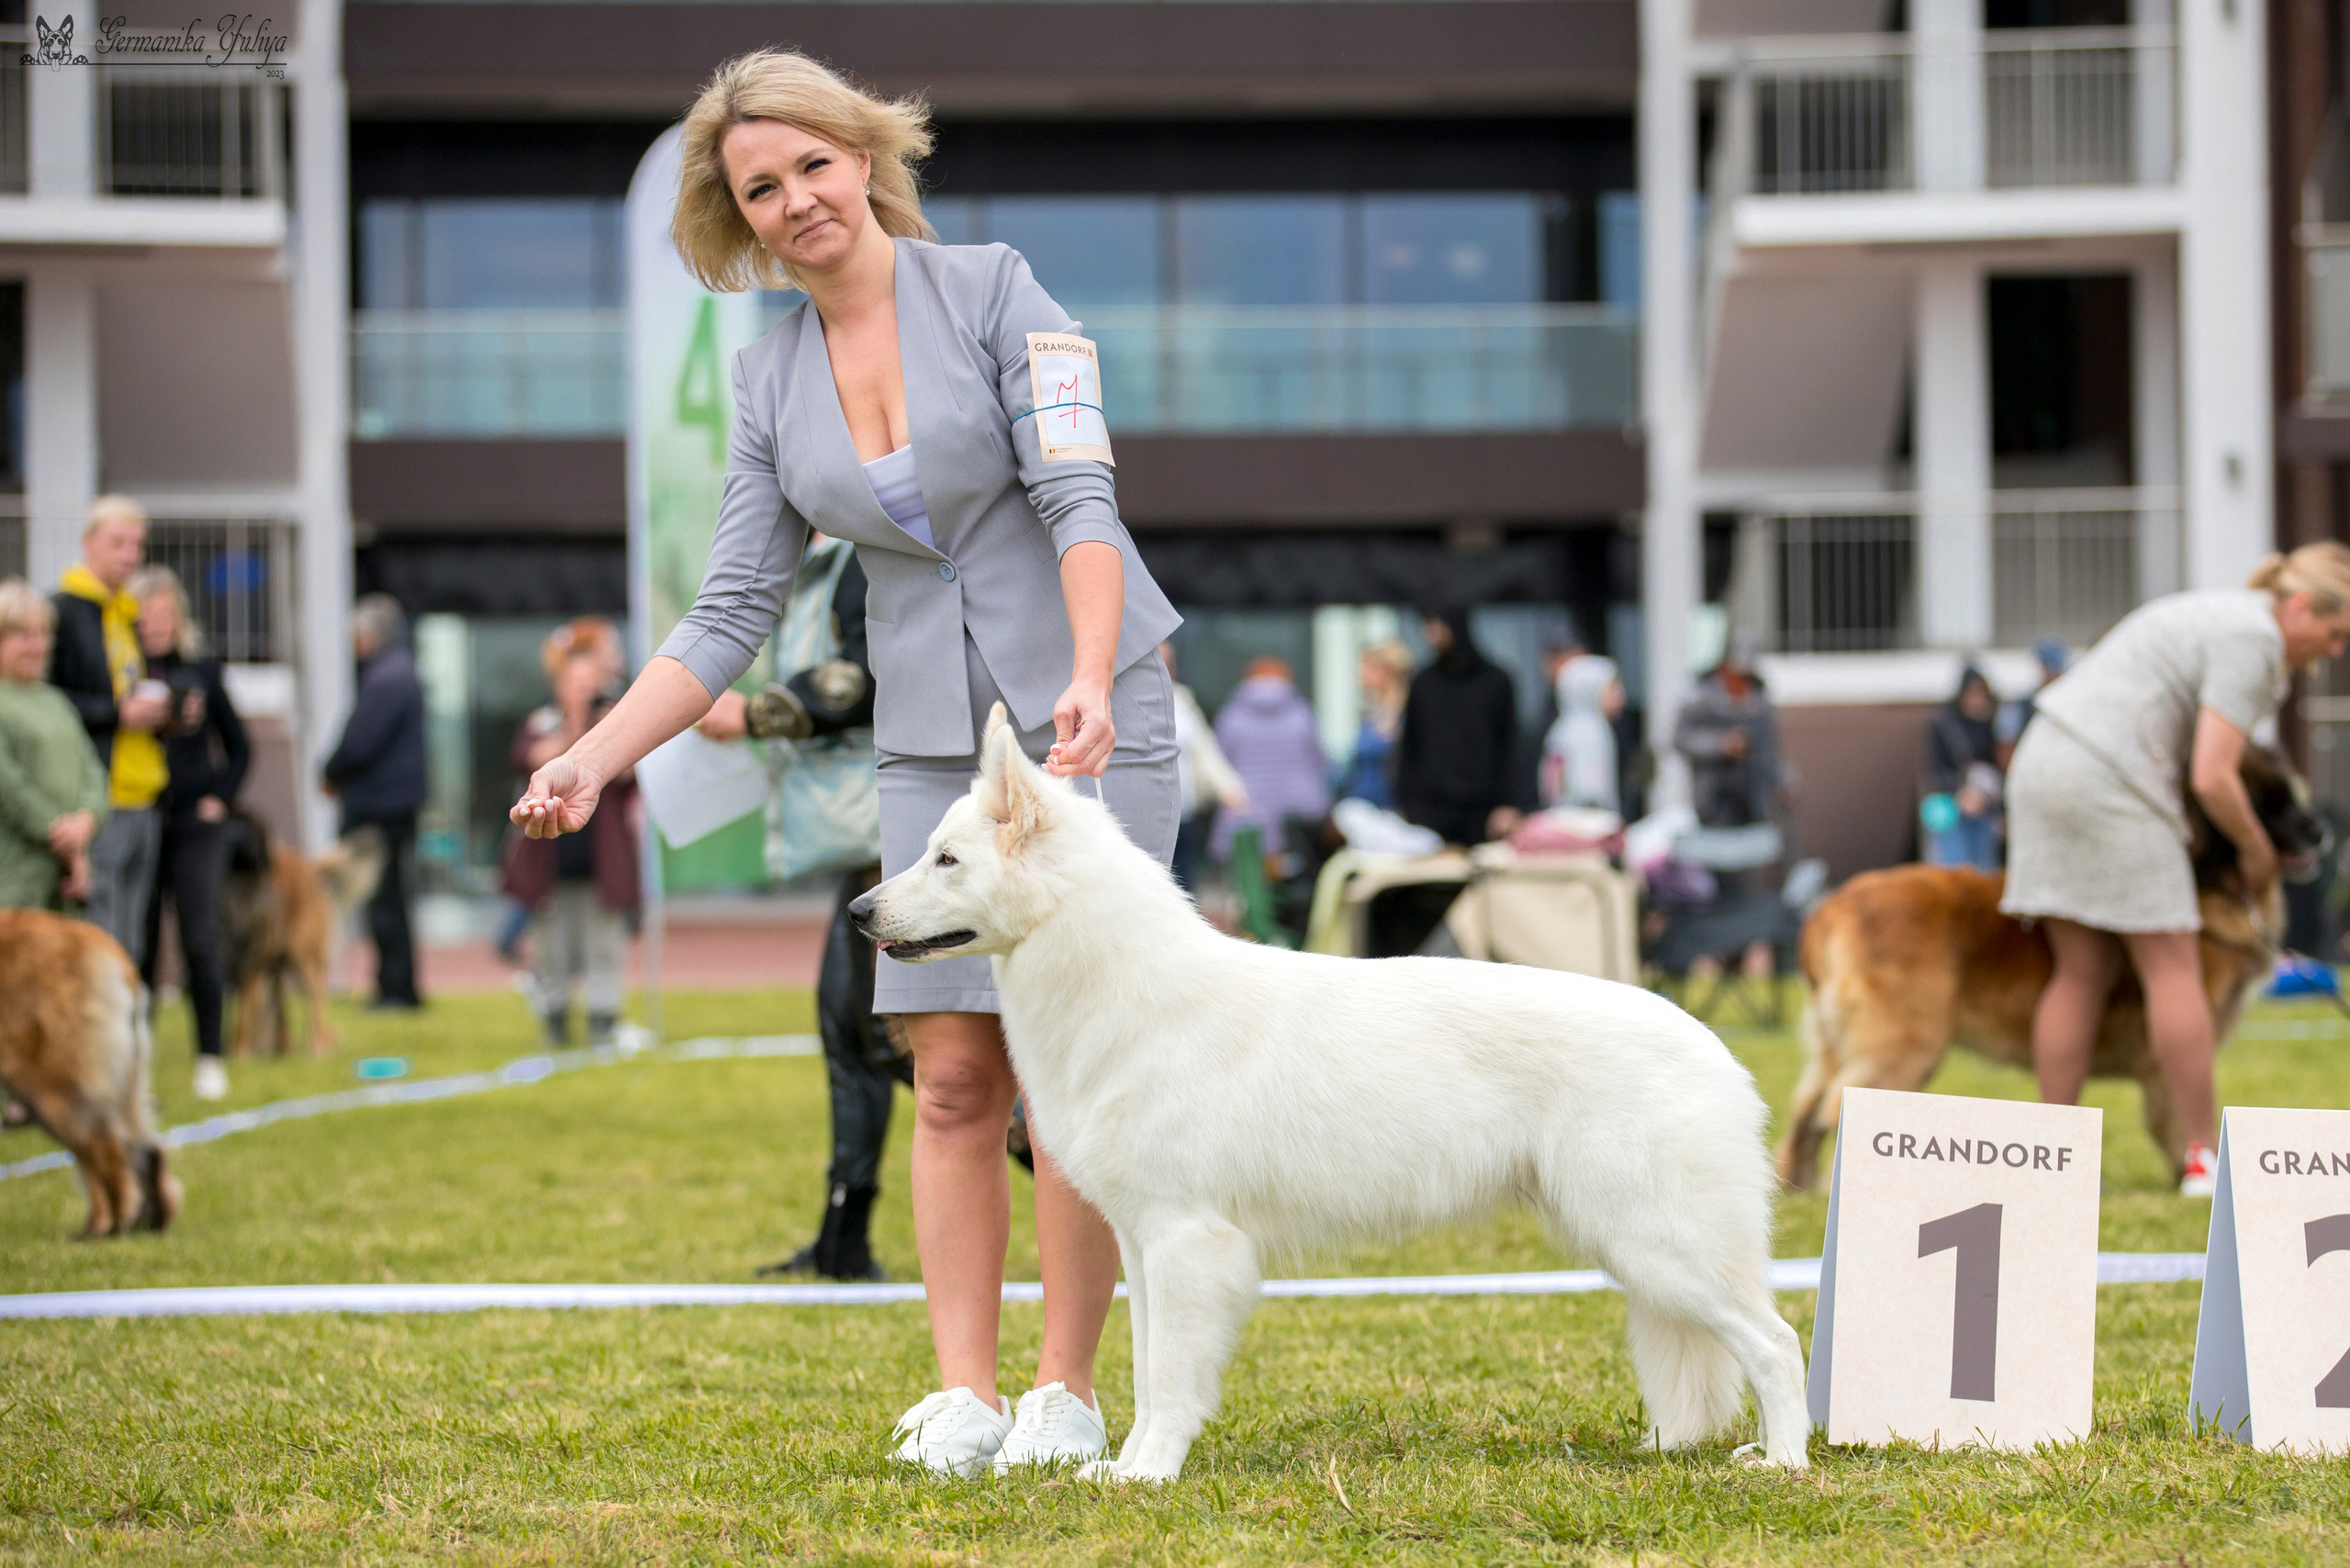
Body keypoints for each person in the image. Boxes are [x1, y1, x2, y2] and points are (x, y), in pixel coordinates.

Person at [509, 49, 1183, 1474]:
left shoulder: (1002, 291)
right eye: (762, 186)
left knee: (1078, 1079)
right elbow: (731, 610)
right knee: (949, 1076)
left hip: (1084, 715)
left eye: (814, 163)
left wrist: (1086, 675)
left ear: (865, 158)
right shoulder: (766, 383)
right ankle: (967, 1396)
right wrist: (596, 758)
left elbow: (1080, 496)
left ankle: (1066, 1392)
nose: (797, 197)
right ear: (739, 219)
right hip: (927, 746)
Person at [2003, 543, 2350, 1199]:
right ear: (2300, 607)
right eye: (2334, 635)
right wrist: (2254, 850)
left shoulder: (2224, 612)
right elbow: (2214, 774)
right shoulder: (2255, 638)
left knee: (2079, 972)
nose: (2334, 652)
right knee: (2172, 966)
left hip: (2043, 764)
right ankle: (2202, 1158)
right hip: (2108, 781)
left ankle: (2050, 1159)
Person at [127, 566, 249, 1103]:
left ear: (178, 619)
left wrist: (218, 799)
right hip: (144, 820)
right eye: (145, 616)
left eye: (164, 615)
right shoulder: (125, 674)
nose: (155, 624)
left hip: (196, 828)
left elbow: (240, 746)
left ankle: (209, 1058)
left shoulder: (201, 670)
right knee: (142, 944)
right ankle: (137, 1065)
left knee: (199, 938)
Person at [46, 496, 169, 963]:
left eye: (137, 544)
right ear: (88, 543)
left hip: (143, 793)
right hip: (99, 797)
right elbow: (53, 701)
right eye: (118, 543)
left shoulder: (126, 613)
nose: (130, 555)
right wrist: (118, 715)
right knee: (102, 937)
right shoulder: (63, 610)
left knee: (132, 937)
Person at [505, 630, 639, 1047]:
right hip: (550, 862)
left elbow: (631, 774)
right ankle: (555, 1021)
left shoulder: (616, 723)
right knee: (551, 951)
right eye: (577, 685)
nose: (585, 692)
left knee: (604, 946)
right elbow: (530, 758)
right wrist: (577, 729)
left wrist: (604, 729)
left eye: (591, 685)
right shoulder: (541, 722)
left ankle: (603, 1022)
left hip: (603, 860)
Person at [323, 594, 428, 1011]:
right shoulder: (400, 672)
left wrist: (330, 773)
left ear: (370, 635)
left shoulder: (387, 677)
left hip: (381, 808)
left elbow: (360, 743)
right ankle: (397, 987)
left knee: (384, 901)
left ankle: (395, 990)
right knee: (393, 899)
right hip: (395, 804)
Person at [0, 578, 106, 912]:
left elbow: (93, 772)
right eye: (23, 635)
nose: (37, 645)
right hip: (17, 878)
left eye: (42, 633)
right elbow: (10, 789)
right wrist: (66, 841)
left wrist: (87, 822)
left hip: (66, 878)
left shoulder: (55, 701)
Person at [1395, 607, 1524, 846]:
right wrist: (1406, 804)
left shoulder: (1495, 682)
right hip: (1429, 813)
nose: (1431, 633)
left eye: (1436, 624)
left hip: (1484, 815)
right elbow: (1411, 748)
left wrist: (1509, 804)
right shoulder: (1423, 684)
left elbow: (1510, 747)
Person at [1208, 656, 1327, 866]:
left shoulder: (1232, 716)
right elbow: (1319, 760)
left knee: (1249, 880)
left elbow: (1219, 762)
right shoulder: (1302, 713)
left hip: (1246, 809)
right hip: (1297, 812)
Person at [1159, 643, 1246, 895]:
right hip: (1150, 813)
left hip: (1184, 814)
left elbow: (1205, 750)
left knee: (1185, 889)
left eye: (1168, 663)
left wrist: (1231, 790)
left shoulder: (1184, 701)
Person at [1673, 644, 1782, 831]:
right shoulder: (1702, 697)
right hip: (1714, 797)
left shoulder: (1758, 701)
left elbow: (1771, 750)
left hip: (1751, 799)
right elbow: (1681, 738)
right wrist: (1721, 744)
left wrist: (1782, 780)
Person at [1921, 665, 2002, 872]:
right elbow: (1935, 768)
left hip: (1984, 805)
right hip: (1953, 805)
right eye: (1972, 693)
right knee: (1954, 871)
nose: (1976, 699)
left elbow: (1998, 764)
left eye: (1981, 694)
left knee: (1983, 871)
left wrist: (1984, 797)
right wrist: (1961, 791)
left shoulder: (1993, 723)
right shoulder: (1944, 723)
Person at [1540, 654, 1623, 812]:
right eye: (1612, 687)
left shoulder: (1562, 727)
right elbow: (1591, 795)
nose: (1619, 695)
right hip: (1585, 826)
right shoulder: (1592, 730)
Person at [1334, 640, 1412, 809]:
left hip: (1391, 809)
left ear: (1387, 671)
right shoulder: (1370, 713)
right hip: (1361, 805)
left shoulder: (1406, 713)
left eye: (1368, 668)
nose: (1361, 674)